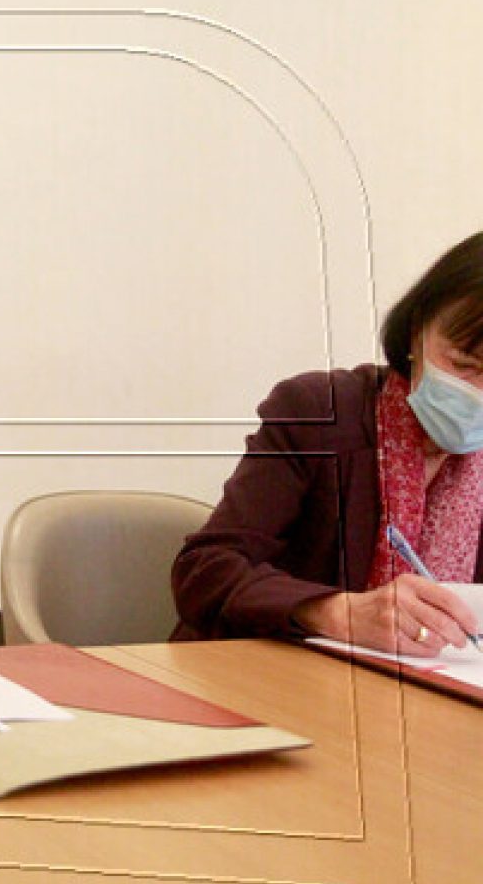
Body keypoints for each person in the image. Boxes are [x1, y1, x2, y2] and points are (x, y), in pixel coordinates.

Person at [172, 232, 483, 655]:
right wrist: (338, 613)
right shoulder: (319, 413)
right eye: (464, 364)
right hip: (264, 670)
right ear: (417, 332)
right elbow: (205, 571)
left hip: (424, 686)